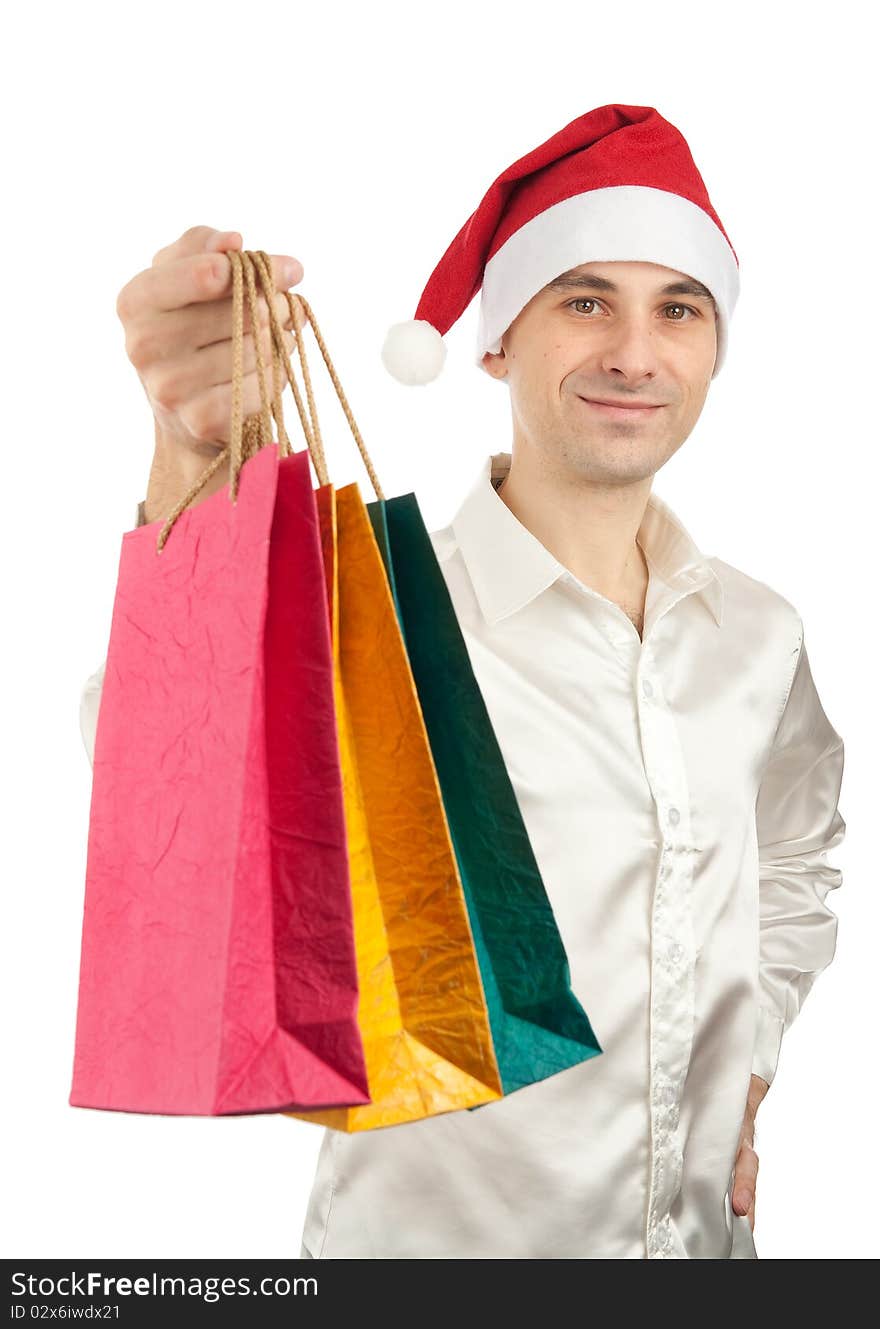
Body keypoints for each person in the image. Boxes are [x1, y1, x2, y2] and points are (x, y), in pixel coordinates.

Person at [78, 104, 846, 1259]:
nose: (635, 352)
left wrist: (746, 1075)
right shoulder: (377, 619)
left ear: (714, 347)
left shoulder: (759, 633)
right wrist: (191, 459)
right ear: (496, 343)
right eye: (584, 300)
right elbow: (160, 783)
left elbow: (795, 855)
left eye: (677, 309)